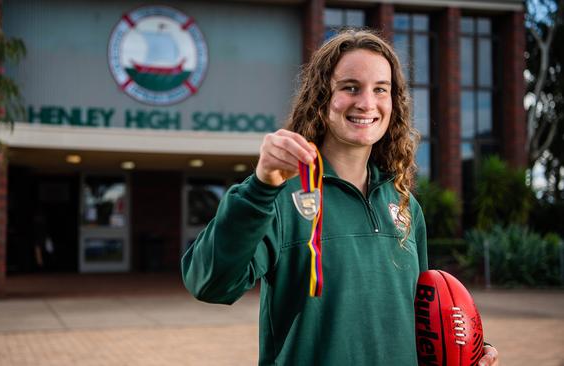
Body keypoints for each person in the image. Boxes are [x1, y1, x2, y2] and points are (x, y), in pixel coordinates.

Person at [181, 29, 499, 365]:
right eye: (350, 87)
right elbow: (209, 284)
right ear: (321, 98)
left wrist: (465, 348)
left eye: (381, 89)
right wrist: (261, 185)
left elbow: (418, 320)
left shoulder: (405, 204)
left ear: (394, 103)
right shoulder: (281, 195)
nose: (367, 103)